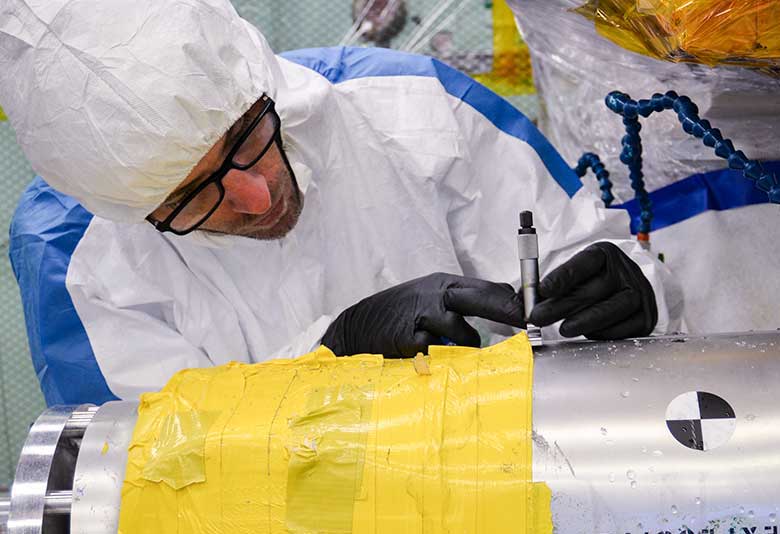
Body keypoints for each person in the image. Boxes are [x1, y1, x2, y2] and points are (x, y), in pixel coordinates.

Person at [1, 0, 681, 404]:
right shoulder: (77, 259)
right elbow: (139, 469)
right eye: (192, 196)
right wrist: (330, 351)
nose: (256, 195)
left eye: (246, 137)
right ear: (134, 214)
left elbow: (583, 264)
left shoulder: (416, 109)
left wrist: (636, 291)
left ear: (259, 83)